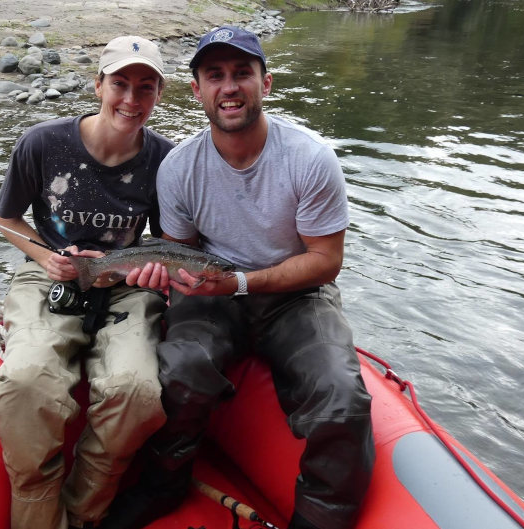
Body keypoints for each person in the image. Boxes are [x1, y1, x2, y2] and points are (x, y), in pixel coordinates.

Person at [101, 26, 375, 529]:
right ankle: (164, 484)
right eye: (215, 76)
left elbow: (326, 261)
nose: (229, 87)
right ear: (197, 91)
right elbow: (178, 253)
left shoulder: (311, 158)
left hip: (298, 294)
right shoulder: (179, 168)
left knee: (342, 395)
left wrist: (243, 284)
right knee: (178, 369)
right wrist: (168, 277)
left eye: (242, 74)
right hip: (212, 292)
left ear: (265, 83)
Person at [0, 36, 174, 529]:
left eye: (146, 87)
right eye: (120, 84)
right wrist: (47, 255)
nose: (132, 100)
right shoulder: (42, 143)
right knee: (25, 382)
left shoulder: (166, 160)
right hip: (49, 273)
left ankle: (81, 514)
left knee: (136, 392)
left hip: (125, 284)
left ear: (160, 95)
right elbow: (7, 218)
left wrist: (141, 269)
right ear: (98, 85)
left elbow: (168, 241)